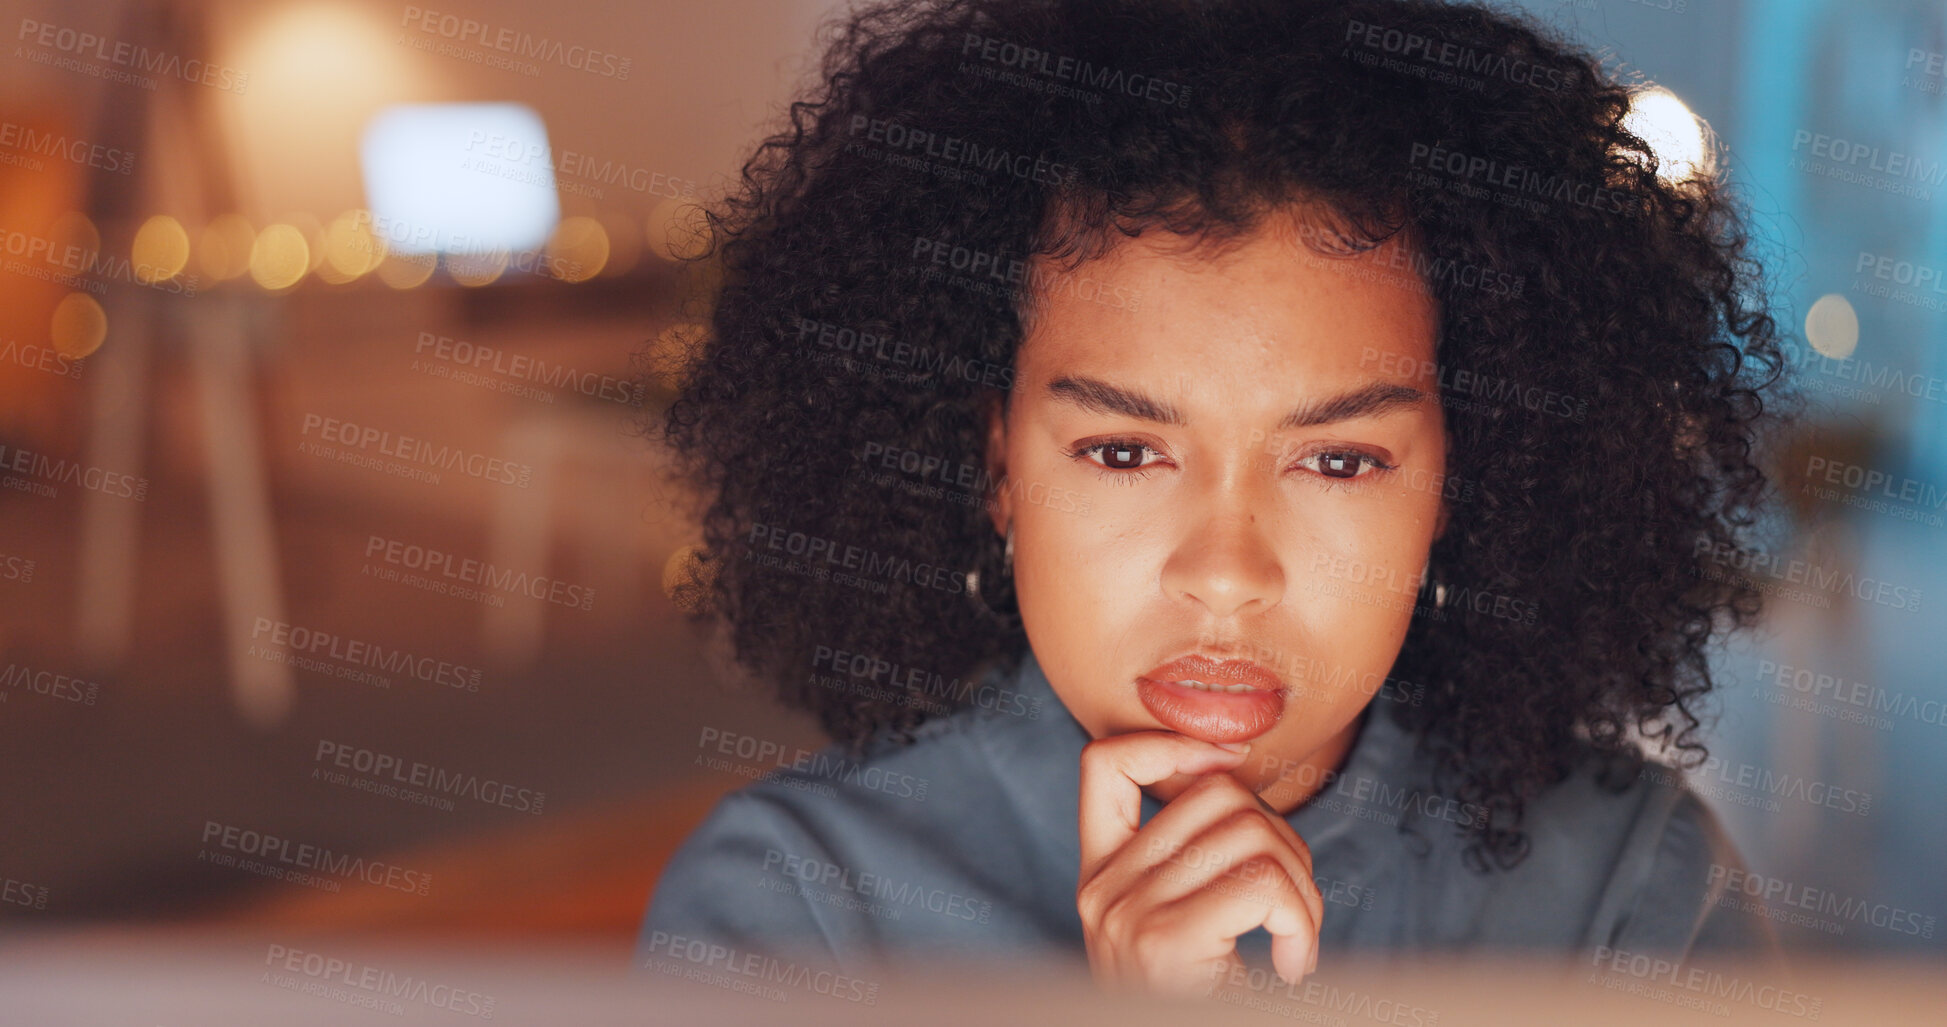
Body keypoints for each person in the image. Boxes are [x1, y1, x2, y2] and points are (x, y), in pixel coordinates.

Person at [639, 0, 1795, 1000]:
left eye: (1339, 460)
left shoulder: (1627, 886)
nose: (1228, 572)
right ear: (996, 467)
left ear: (1458, 480)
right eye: (1124, 452)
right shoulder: (792, 911)